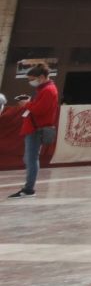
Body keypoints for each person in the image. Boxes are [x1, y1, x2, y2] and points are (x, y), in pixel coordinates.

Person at [8, 64, 59, 198]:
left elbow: (40, 110)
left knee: (31, 159)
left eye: (32, 79)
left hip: (36, 128)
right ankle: (28, 187)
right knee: (29, 158)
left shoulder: (48, 90)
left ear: (41, 77)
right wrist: (30, 102)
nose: (31, 82)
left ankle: (29, 189)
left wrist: (27, 104)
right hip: (35, 127)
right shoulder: (44, 89)